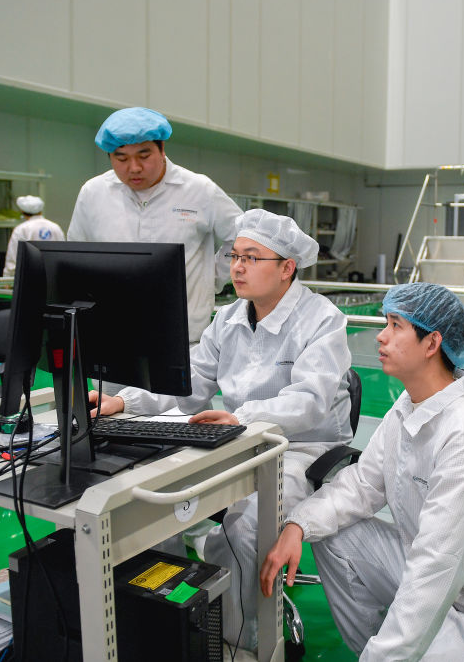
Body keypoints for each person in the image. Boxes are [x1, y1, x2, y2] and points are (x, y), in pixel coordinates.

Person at [90, 209, 354, 651]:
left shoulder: (321, 320)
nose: (237, 267)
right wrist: (126, 402)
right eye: (234, 256)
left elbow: (310, 402)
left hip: (300, 448)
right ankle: (176, 619)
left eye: (251, 257)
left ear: (287, 267)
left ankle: (242, 642)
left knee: (245, 528)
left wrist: (243, 416)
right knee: (150, 500)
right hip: (236, 439)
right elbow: (189, 384)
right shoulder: (228, 318)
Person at [260, 282, 464, 661]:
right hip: (429, 575)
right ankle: (374, 649)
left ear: (432, 343)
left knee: (411, 620)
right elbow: (362, 485)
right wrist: (298, 525)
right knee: (331, 530)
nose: (381, 336)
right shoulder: (408, 408)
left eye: (396, 326)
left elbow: (436, 565)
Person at [67, 106, 242, 343]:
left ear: (161, 150)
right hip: (112, 335)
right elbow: (76, 255)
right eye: (121, 158)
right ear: (110, 157)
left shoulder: (199, 190)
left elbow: (243, 236)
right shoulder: (93, 193)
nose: (134, 168)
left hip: (184, 337)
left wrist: (212, 279)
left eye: (144, 156)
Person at [1, 195, 64, 276]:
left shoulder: (21, 229)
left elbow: (13, 259)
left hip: (29, 277)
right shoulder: (55, 227)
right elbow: (63, 254)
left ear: (22, 212)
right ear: (40, 211)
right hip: (54, 276)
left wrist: (7, 277)